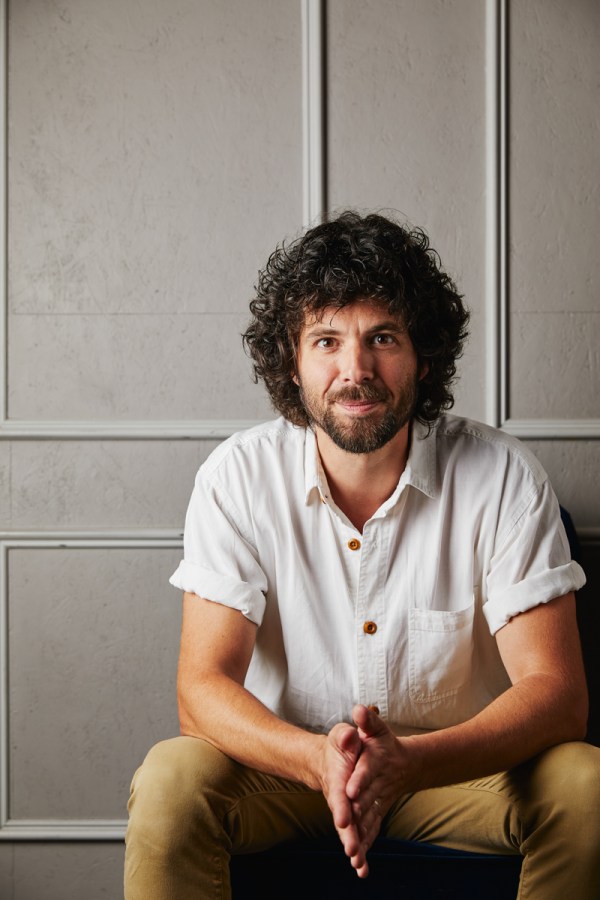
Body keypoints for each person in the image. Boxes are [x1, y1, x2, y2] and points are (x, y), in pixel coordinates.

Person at [125, 211, 599, 899]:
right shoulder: (236, 478)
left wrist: (411, 762)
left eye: (382, 338)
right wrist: (316, 759)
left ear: (423, 356)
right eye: (327, 341)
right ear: (292, 361)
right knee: (171, 780)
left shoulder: (504, 476)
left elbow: (558, 696)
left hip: (454, 776)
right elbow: (201, 690)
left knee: (587, 785)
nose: (356, 371)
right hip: (288, 775)